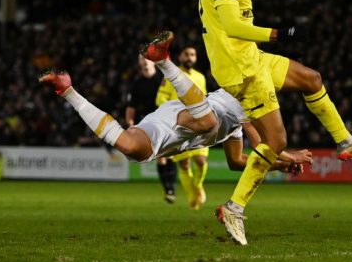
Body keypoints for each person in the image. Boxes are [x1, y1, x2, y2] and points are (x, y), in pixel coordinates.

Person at [198, 0, 352, 245]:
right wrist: (280, 33)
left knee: (312, 79)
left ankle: (346, 141)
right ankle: (234, 208)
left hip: (252, 59)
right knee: (277, 142)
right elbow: (231, 26)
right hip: (243, 70)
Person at [39, 33, 312, 199]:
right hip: (189, 116)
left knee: (130, 148)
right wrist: (289, 156)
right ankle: (162, 60)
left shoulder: (237, 124)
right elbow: (264, 144)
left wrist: (279, 165)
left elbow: (237, 161)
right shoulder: (249, 101)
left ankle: (67, 90)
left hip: (173, 131)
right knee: (209, 123)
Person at [156, 46, 210, 210]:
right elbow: (160, 97)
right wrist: (173, 111)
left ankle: (198, 186)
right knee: (185, 164)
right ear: (180, 56)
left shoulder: (200, 77)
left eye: (193, 54)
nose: (190, 57)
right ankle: (192, 196)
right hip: (180, 125)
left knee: (200, 161)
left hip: (199, 123)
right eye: (186, 54)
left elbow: (204, 97)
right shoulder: (171, 76)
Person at [124, 53, 178, 203]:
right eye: (142, 59)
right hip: (149, 124)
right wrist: (130, 122)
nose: (145, 61)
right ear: (139, 63)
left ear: (153, 62)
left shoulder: (163, 80)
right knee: (161, 158)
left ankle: (170, 188)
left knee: (169, 155)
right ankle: (169, 189)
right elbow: (131, 107)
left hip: (167, 120)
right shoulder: (136, 84)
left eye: (147, 58)